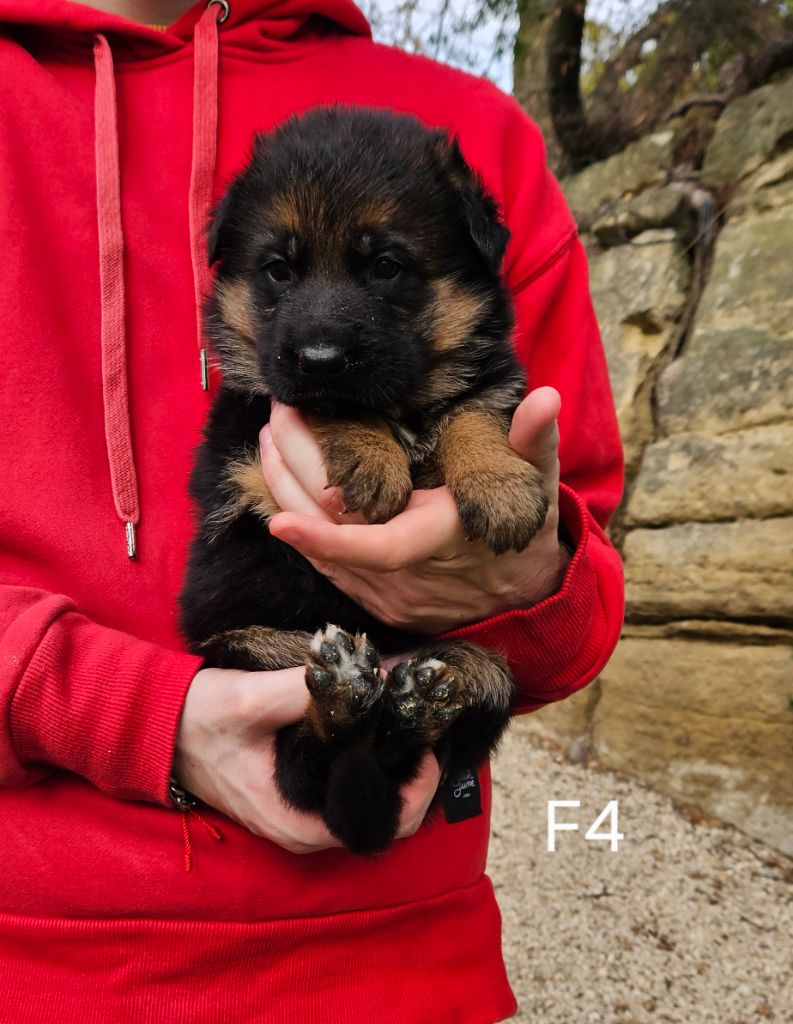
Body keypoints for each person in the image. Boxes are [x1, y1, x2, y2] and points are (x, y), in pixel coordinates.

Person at [0, 0, 624, 1020]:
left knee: (462, 691)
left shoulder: (474, 135)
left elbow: (578, 614)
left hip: (399, 965)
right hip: (28, 961)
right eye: (280, 274)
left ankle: (377, 718)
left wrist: (524, 584)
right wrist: (139, 712)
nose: (322, 335)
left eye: (384, 271)